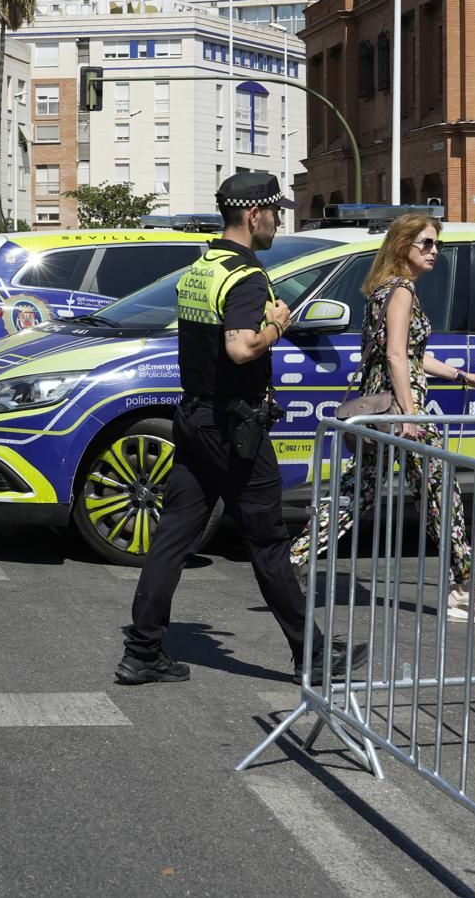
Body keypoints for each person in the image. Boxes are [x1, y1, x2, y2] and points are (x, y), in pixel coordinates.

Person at [117, 172, 369, 685]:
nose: (279, 220)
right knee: (269, 542)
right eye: (276, 211)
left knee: (172, 538)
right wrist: (279, 322)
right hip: (235, 428)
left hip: (195, 417)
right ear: (254, 215)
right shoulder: (248, 278)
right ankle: (314, 655)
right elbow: (239, 347)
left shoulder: (201, 268)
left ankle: (142, 652)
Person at [290, 213, 475, 624]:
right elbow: (395, 356)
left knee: (359, 491)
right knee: (443, 497)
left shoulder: (382, 289)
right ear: (402, 245)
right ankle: (465, 590)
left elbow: (413, 355)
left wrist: (463, 376)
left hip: (385, 409)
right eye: (425, 243)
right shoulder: (402, 290)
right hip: (401, 412)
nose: (434, 252)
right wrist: (409, 414)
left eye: (437, 245)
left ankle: (294, 560)